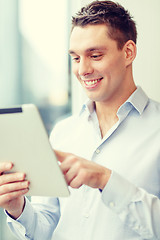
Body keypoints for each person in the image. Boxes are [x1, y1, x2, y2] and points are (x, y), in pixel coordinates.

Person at [0, 1, 160, 239]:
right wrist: (17, 207)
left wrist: (104, 179)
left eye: (95, 55)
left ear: (128, 52)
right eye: (75, 58)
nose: (82, 69)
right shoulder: (63, 132)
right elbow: (46, 229)